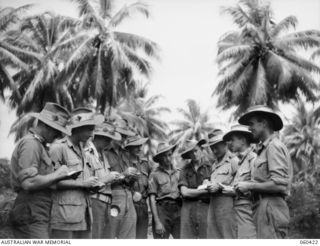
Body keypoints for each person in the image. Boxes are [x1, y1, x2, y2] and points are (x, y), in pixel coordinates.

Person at [10, 103, 71, 238]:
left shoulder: (41, 146)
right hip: (30, 210)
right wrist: (57, 175)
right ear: (46, 126)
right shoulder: (31, 144)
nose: (57, 136)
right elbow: (28, 183)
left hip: (38, 210)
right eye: (56, 131)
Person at [236, 105, 293, 239]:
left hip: (270, 208)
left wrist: (249, 185)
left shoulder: (274, 147)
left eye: (252, 124)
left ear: (264, 123)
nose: (249, 128)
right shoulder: (263, 149)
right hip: (262, 208)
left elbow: (279, 185)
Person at [49, 108, 104, 239]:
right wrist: (83, 183)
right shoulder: (58, 148)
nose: (92, 134)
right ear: (78, 128)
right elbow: (51, 183)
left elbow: (81, 180)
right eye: (89, 129)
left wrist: (92, 185)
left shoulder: (82, 150)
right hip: (64, 215)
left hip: (84, 213)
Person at [85, 122, 122, 238]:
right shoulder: (87, 154)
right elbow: (86, 182)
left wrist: (114, 178)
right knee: (95, 236)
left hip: (107, 202)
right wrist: (106, 179)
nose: (109, 142)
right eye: (107, 139)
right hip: (95, 201)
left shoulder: (103, 155)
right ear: (98, 137)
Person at [104, 118, 138, 239]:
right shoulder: (105, 153)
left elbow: (130, 180)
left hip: (128, 194)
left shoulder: (126, 154)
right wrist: (124, 173)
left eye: (125, 136)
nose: (124, 139)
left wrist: (133, 176)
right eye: (121, 135)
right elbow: (104, 178)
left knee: (129, 234)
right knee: (110, 233)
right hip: (113, 194)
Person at [223, 125, 257, 239]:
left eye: (233, 139)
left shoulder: (253, 159)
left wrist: (234, 190)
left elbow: (256, 186)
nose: (230, 143)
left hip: (247, 210)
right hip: (237, 209)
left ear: (242, 140)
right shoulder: (239, 162)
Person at [203, 134, 238, 239]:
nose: (214, 150)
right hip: (213, 206)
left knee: (228, 237)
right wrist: (207, 184)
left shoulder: (234, 161)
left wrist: (220, 187)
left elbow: (240, 185)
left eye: (216, 147)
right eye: (211, 148)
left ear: (224, 144)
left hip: (227, 207)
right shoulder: (214, 165)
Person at [178, 140, 211, 239]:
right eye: (191, 153)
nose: (194, 154)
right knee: (187, 237)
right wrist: (205, 190)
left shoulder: (209, 167)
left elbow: (214, 188)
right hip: (188, 208)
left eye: (196, 150)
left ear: (201, 149)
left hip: (206, 207)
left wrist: (192, 192)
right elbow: (184, 192)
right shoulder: (184, 170)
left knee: (206, 237)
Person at [148, 142, 181, 239]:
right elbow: (152, 198)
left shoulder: (179, 173)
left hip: (178, 209)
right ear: (159, 159)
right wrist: (157, 221)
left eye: (169, 155)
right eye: (164, 156)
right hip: (162, 210)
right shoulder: (154, 174)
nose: (167, 158)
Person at [123, 135, 150, 239]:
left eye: (140, 145)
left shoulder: (145, 164)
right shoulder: (124, 164)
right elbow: (120, 183)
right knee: (129, 236)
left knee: (142, 236)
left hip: (143, 205)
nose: (139, 148)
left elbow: (151, 183)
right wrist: (132, 193)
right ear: (129, 148)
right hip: (129, 204)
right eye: (136, 146)